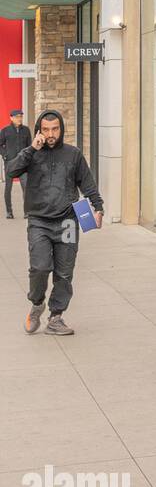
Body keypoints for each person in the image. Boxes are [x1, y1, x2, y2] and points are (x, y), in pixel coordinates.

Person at [7, 110, 103, 336]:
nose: (51, 134)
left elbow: (87, 184)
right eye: (47, 129)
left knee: (64, 273)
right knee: (40, 268)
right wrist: (32, 149)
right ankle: (37, 303)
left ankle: (56, 317)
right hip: (39, 221)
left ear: (61, 129)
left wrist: (98, 208)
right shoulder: (31, 154)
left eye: (55, 129)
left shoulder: (73, 154)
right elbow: (11, 170)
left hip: (68, 221)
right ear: (40, 129)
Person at [0, 109, 31, 218]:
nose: (20, 119)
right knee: (8, 189)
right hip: (10, 164)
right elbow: (0, 145)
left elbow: (30, 146)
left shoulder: (26, 130)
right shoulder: (5, 131)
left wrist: (28, 159)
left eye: (21, 116)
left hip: (23, 165)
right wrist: (5, 155)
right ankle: (9, 212)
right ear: (11, 118)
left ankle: (26, 212)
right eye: (17, 117)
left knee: (26, 188)